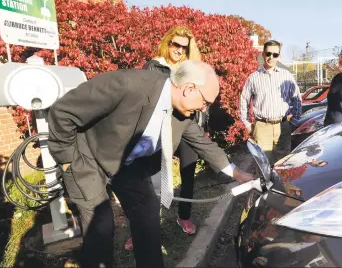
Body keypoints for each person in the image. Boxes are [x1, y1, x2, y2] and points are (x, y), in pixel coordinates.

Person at [47, 60, 254, 268]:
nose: (204, 108)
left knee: (148, 216)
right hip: (88, 160)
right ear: (188, 88)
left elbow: (203, 144)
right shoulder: (127, 84)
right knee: (101, 227)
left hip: (127, 167)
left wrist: (236, 173)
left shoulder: (182, 115)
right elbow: (63, 111)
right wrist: (67, 160)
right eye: (205, 101)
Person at [143, 26, 204, 236]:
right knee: (152, 180)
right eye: (175, 44)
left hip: (185, 126)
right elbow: (145, 98)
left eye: (184, 47)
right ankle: (144, 228)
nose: (179, 50)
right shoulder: (154, 66)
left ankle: (184, 217)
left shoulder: (191, 70)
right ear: (167, 42)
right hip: (159, 128)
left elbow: (201, 98)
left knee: (188, 176)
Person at [240, 40, 302, 165]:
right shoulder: (254, 77)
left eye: (275, 54)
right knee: (264, 165)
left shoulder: (286, 76)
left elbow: (297, 99)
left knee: (283, 166)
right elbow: (244, 101)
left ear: (279, 56)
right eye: (268, 54)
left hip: (283, 126)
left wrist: (294, 121)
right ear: (263, 54)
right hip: (262, 127)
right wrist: (247, 124)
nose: (271, 57)